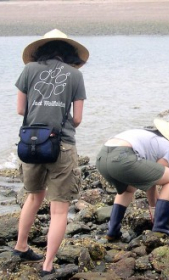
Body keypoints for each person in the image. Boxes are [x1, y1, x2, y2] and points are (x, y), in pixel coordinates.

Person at [14, 29, 89, 276]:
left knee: (33, 197)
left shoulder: (29, 70)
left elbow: (19, 110)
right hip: (62, 143)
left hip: (31, 142)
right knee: (59, 208)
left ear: (41, 50)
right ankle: (47, 265)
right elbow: (77, 118)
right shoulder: (75, 75)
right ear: (69, 53)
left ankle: (21, 246)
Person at [96, 116, 169, 239]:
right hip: (122, 158)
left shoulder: (150, 135)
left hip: (102, 158)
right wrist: (154, 209)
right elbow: (153, 179)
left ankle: (112, 231)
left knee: (129, 189)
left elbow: (149, 178)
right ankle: (161, 226)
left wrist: (153, 205)